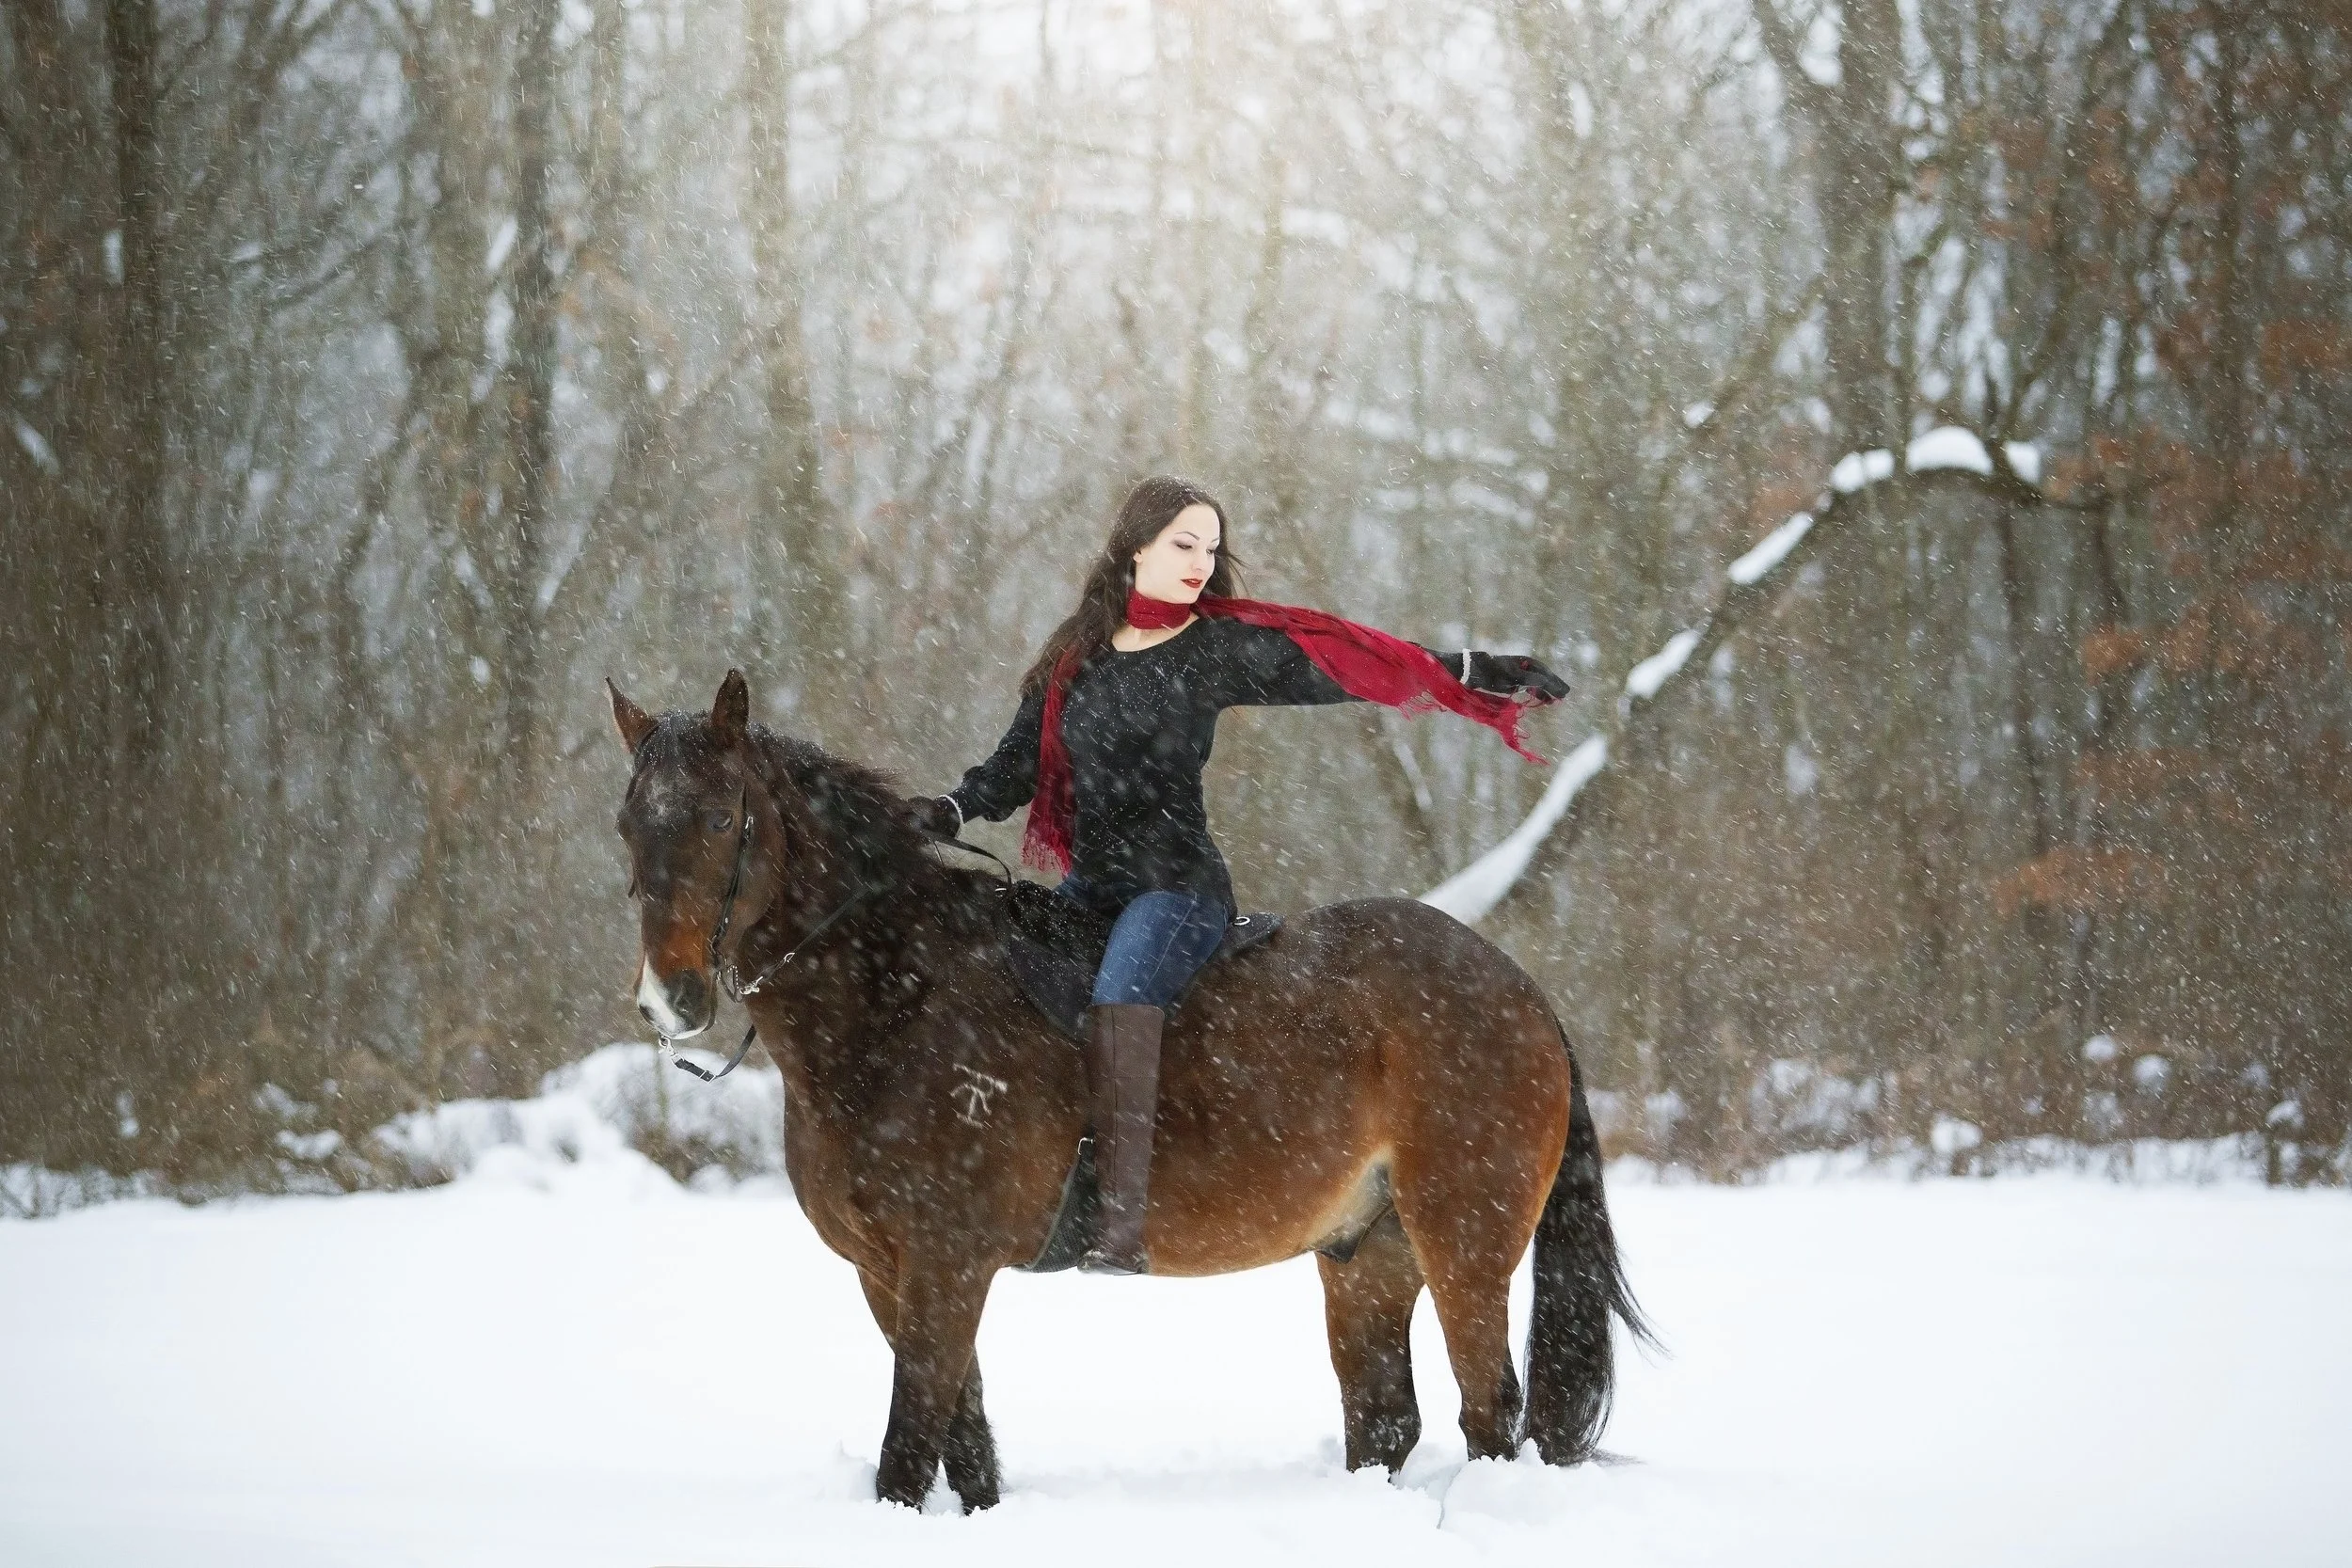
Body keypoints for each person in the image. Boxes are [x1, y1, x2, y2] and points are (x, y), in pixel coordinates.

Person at [907, 476, 1567, 1273]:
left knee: (1121, 997)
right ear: (1137, 546)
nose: (1199, 562)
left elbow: (1340, 663)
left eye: (1210, 548)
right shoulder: (1073, 658)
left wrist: (1467, 668)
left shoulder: (1212, 649)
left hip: (1176, 891)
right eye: (1184, 543)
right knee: (1003, 977)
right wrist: (950, 807)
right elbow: (1019, 763)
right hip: (1089, 890)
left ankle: (1117, 1218)